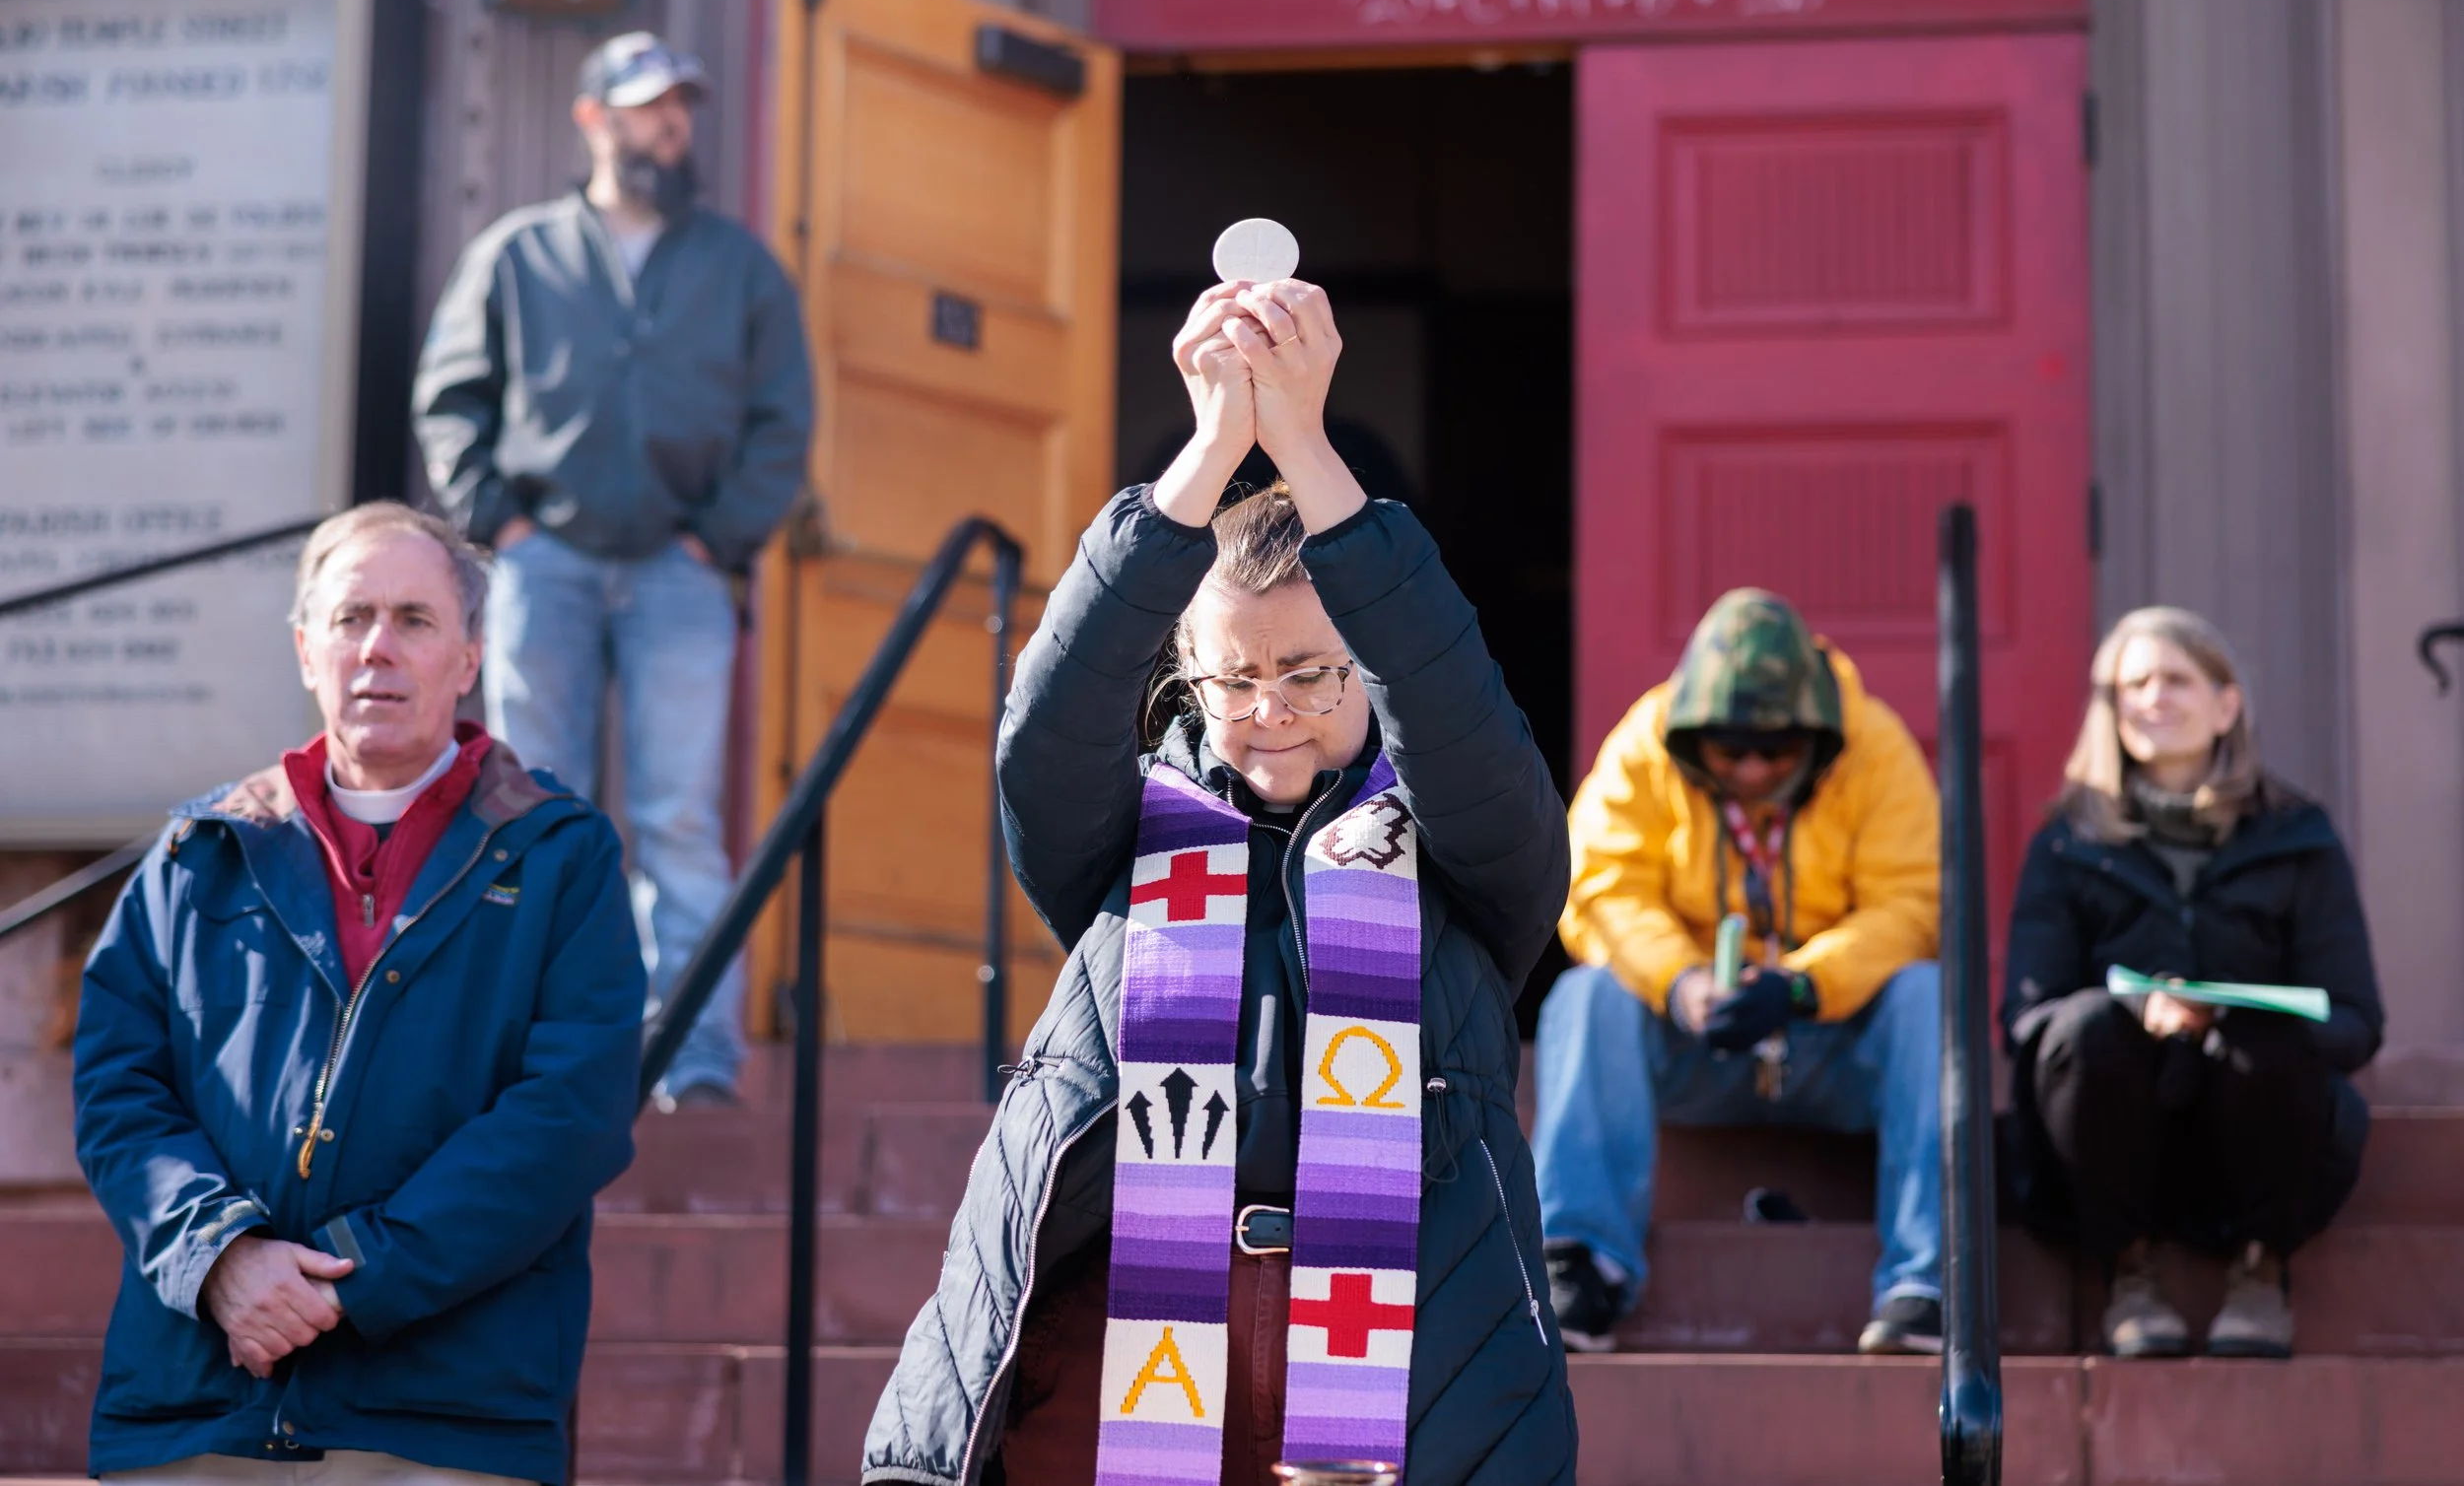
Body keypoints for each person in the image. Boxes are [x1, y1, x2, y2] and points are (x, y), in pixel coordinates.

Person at [861, 280, 1577, 1483]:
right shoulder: (1120, 835)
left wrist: (1302, 439)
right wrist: (1210, 448)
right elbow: (1047, 725)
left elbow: (1464, 722)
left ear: (1372, 673)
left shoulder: (1459, 845)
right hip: (1117, 1323)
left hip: (1400, 1347)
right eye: (1232, 678)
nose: (1269, 713)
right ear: (1183, 676)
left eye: (1311, 673)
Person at [71, 504, 644, 1485]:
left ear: (468, 657)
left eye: (415, 619)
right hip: (197, 1413)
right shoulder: (198, 853)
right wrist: (220, 1256)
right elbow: (119, 1088)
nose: (378, 646)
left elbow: (570, 1115)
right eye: (351, 617)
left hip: (441, 1423)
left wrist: (353, 1275)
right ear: (306, 649)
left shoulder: (562, 856)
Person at [412, 30, 815, 1109]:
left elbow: (784, 420)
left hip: (682, 575)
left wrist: (719, 539)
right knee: (533, 808)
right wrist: (503, 524)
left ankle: (695, 1059)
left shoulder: (738, 266)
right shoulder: (517, 251)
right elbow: (451, 397)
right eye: (646, 106)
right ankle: (535, 1052)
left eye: (681, 105)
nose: (669, 124)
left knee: (681, 818)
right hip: (546, 568)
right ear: (593, 118)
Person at [1532, 589, 1944, 1355]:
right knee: (1584, 995)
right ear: (1693, 738)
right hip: (1694, 1044)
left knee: (1927, 995)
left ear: (1819, 737)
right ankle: (1581, 1262)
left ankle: (1925, 1280)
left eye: (1779, 750)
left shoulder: (1876, 744)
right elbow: (1598, 886)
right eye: (1728, 749)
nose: (1753, 767)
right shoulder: (1647, 740)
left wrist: (1803, 985)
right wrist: (1684, 984)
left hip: (1830, 1046)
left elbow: (1912, 904)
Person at [2003, 607, 2383, 1360]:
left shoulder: (2299, 839)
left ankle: (2260, 1268)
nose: (2153, 697)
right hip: (2113, 1135)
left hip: (2258, 1130)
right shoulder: (2065, 845)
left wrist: (2225, 1017)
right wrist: (2140, 1007)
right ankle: (2128, 1271)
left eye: (2176, 678)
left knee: (2269, 1032)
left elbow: (2355, 1019)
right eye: (2131, 683)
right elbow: (2027, 1016)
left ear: (2225, 704)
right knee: (2084, 1033)